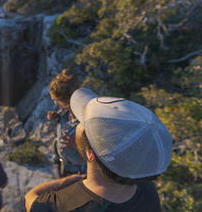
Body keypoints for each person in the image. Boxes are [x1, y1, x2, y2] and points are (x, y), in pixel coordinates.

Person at [25, 88, 172, 212]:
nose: (76, 124)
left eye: (82, 122)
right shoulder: (148, 193)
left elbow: (30, 197)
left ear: (91, 153)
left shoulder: (62, 205)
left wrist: (71, 180)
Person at [48, 69, 86, 176]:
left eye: (55, 99)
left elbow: (96, 157)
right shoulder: (67, 114)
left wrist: (78, 146)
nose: (54, 103)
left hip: (80, 175)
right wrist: (58, 119)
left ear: (64, 102)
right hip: (65, 168)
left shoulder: (83, 123)